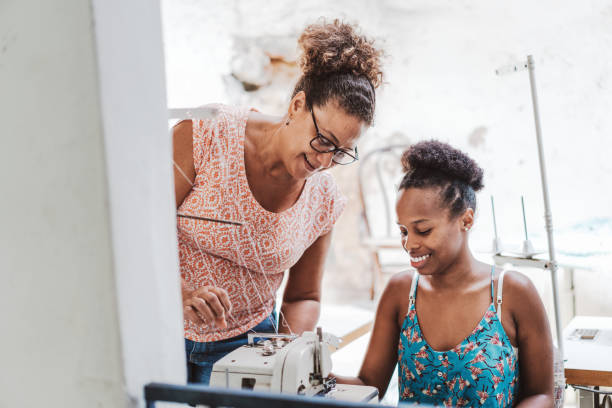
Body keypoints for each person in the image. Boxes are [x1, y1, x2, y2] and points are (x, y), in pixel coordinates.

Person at [172, 19, 384, 384]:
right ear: (298, 105)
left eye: (341, 152)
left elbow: (303, 296)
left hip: (248, 349)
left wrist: (282, 358)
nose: (323, 162)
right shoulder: (204, 133)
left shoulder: (324, 199)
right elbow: (141, 227)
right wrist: (181, 293)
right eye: (322, 141)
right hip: (162, 329)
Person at [337, 141, 554, 407]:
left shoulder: (512, 293)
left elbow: (541, 394)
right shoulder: (401, 293)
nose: (409, 244)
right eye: (404, 231)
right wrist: (316, 378)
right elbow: (369, 386)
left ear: (466, 220)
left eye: (423, 230)